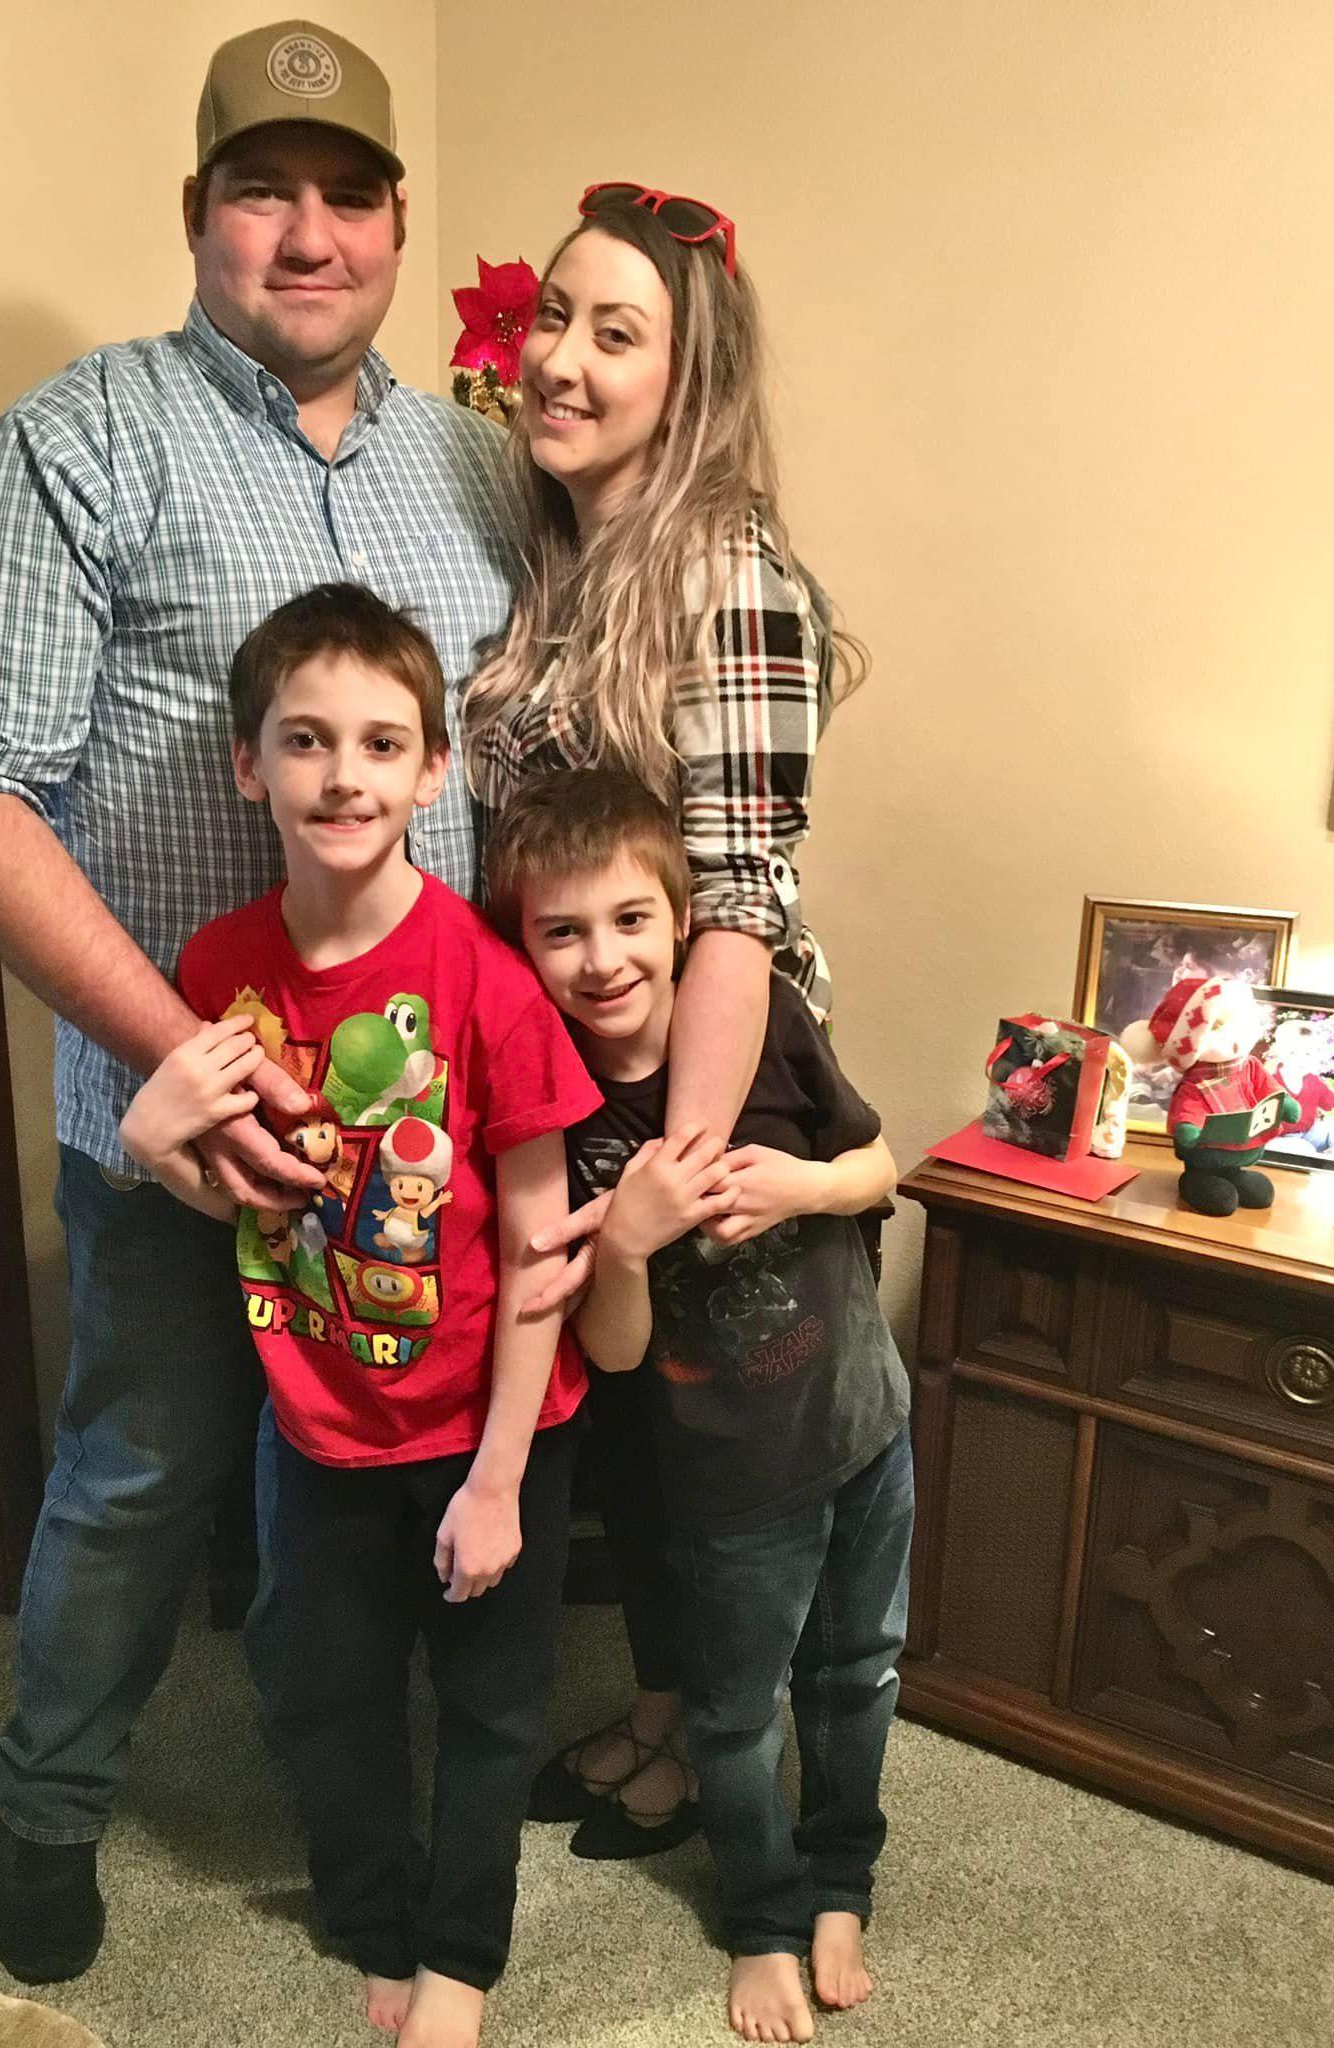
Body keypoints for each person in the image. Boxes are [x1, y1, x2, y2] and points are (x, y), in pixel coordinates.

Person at [0, 21, 517, 1983]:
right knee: (138, 1475)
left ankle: (380, 1821)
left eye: (345, 194)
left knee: (390, 1474)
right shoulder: (87, 436)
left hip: (415, 1144)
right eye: (263, 190)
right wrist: (184, 1058)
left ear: (395, 222)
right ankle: (52, 1804)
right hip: (170, 1140)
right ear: (199, 214)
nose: (305, 234)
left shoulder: (474, 465)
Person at [121, 584, 599, 2048]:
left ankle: (460, 1954)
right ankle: (374, 1918)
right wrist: (158, 1157)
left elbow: (539, 1245)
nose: (347, 775)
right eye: (309, 741)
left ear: (434, 772)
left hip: (488, 1427)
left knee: (491, 1708)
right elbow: (265, 1210)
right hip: (317, 1428)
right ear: (249, 766)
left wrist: (503, 1480)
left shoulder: (490, 986)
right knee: (319, 1695)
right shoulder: (217, 974)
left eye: (383, 744)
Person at [461, 183, 868, 1857]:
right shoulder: (563, 553)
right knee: (629, 1436)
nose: (559, 357)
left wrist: (680, 1172)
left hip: (701, 1076)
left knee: (708, 1456)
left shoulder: (729, 576)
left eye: (612, 333)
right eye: (552, 316)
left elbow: (739, 894)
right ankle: (651, 1713)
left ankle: (721, 1743)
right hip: (586, 1070)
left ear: (687, 377)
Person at [485, 770, 912, 2046]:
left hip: (862, 1425)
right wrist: (624, 1243)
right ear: (525, 946)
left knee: (857, 1673)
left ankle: (841, 1880)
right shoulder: (557, 1102)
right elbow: (609, 1356)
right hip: (726, 1481)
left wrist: (802, 1185)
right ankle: (764, 1915)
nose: (602, 957)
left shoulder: (761, 1012)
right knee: (733, 1715)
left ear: (680, 918)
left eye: (628, 919)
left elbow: (878, 1163)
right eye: (561, 930)